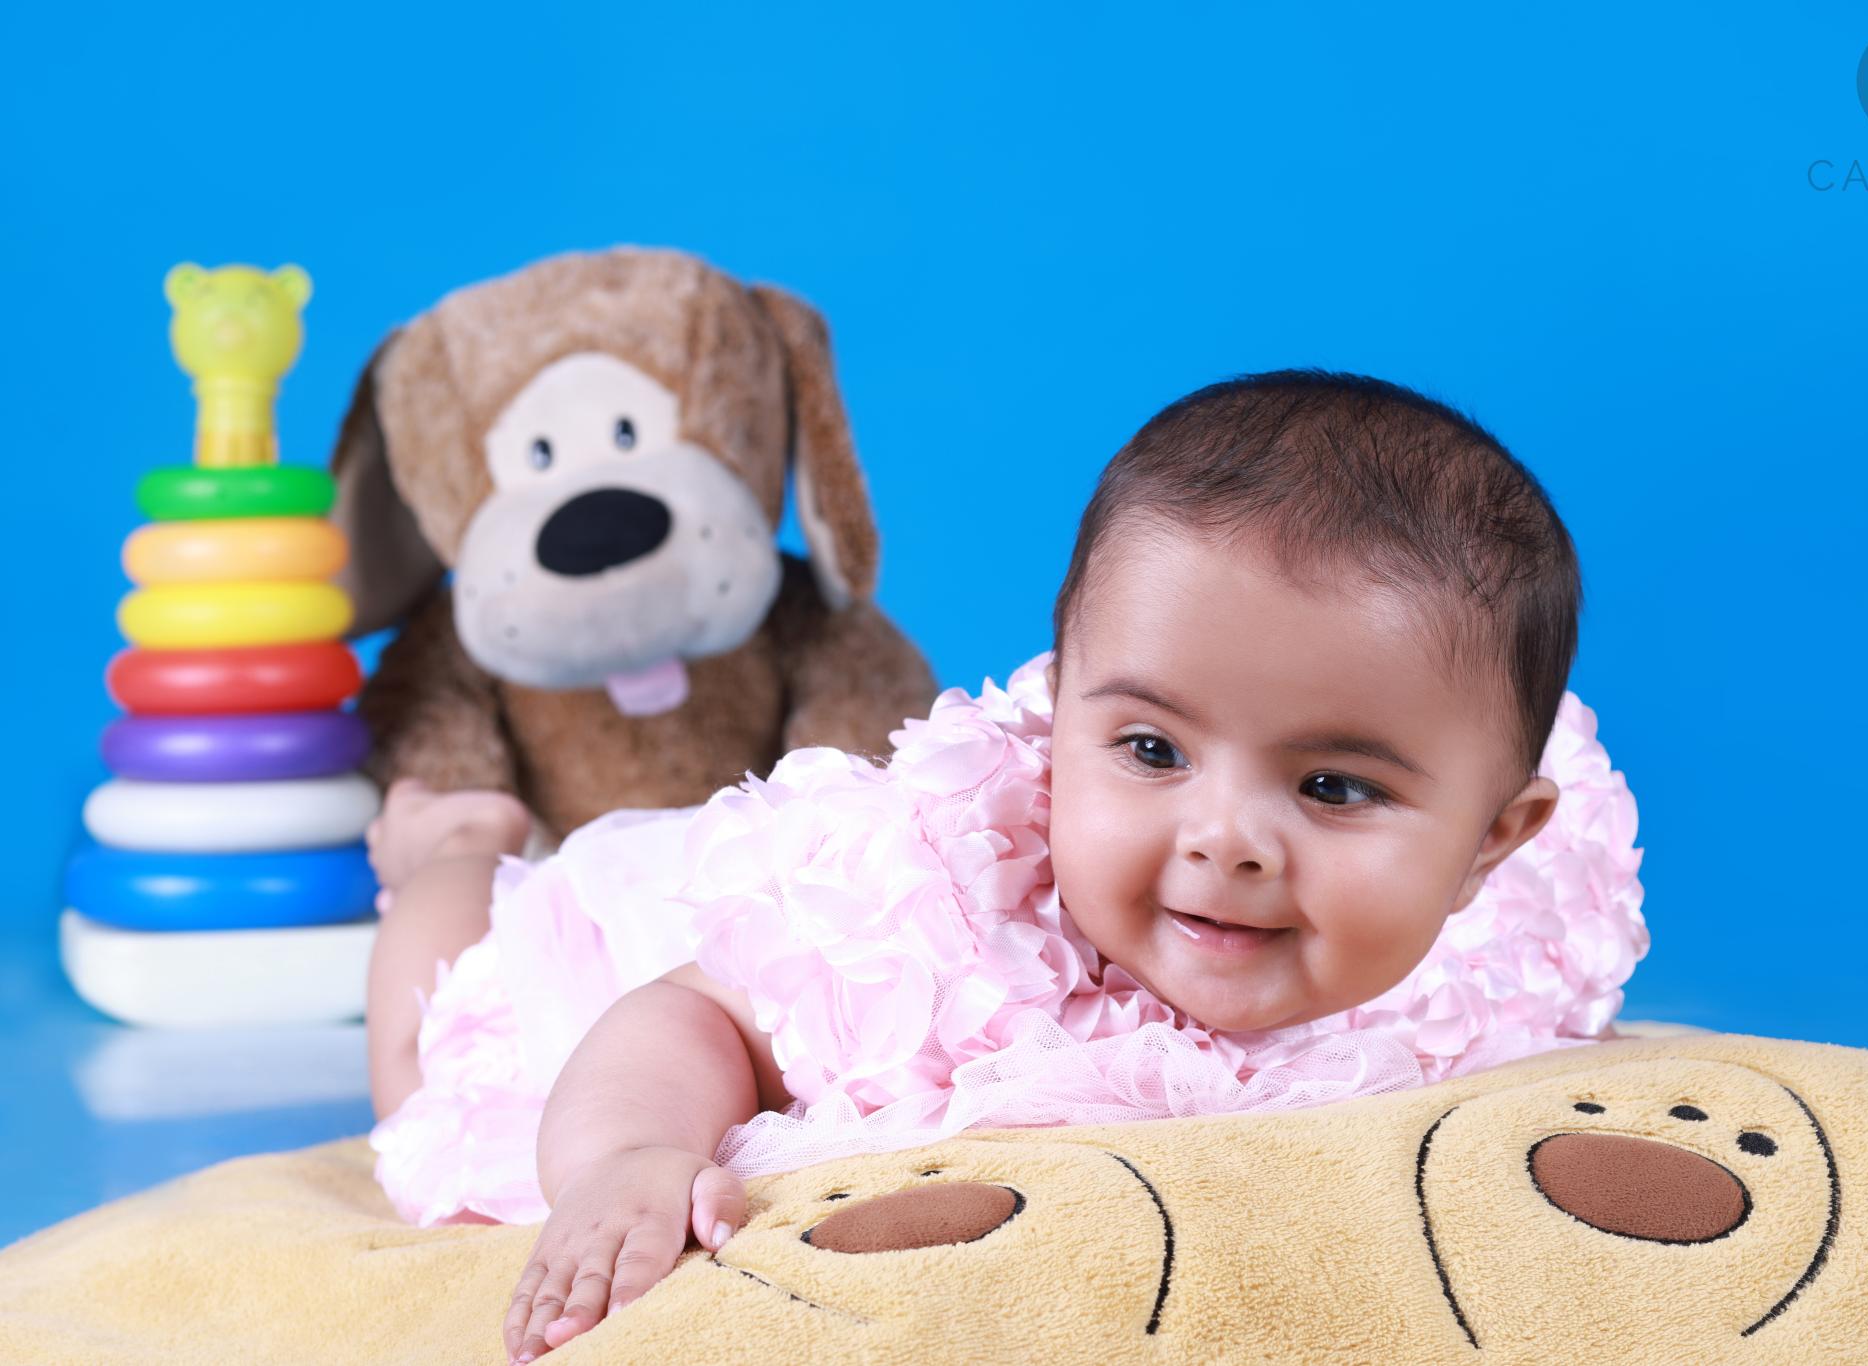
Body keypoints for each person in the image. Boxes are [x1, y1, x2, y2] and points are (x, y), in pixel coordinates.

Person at [361, 370, 1648, 1363]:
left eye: (1332, 787)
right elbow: (692, 1006)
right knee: (435, 1010)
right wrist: (628, 1153)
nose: (1225, 838)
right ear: (1058, 720)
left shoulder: (1490, 967)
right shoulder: (943, 921)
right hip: (631, 970)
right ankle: (448, 848)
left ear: (1490, 843)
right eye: (1151, 749)